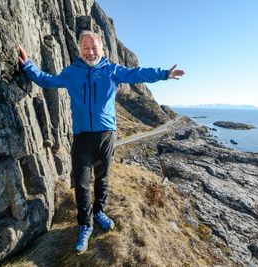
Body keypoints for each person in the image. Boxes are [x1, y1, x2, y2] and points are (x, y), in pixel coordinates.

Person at [18, 30, 184, 255]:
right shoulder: (71, 73)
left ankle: (99, 212)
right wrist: (27, 65)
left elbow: (137, 74)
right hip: (82, 137)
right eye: (86, 47)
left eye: (94, 47)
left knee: (103, 178)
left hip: (106, 135)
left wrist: (164, 74)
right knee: (83, 183)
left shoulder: (111, 70)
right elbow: (47, 80)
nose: (90, 51)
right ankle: (85, 225)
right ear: (80, 50)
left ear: (101, 49)